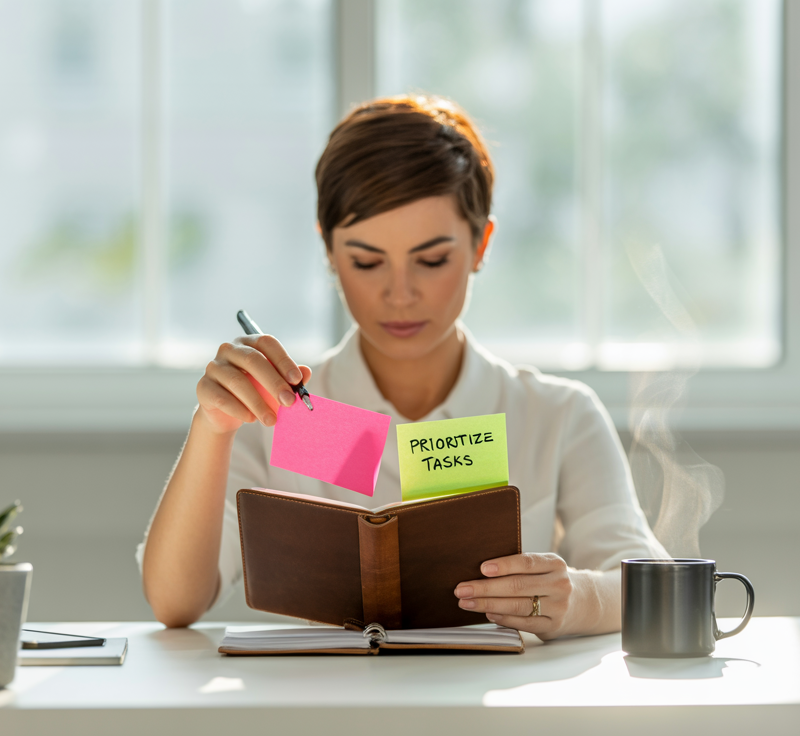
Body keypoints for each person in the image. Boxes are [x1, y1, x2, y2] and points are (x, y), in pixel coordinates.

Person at [139, 95, 666, 640]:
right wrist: (212, 427)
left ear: (481, 244)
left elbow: (644, 581)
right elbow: (175, 602)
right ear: (328, 251)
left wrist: (577, 598)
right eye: (366, 262)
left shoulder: (555, 414)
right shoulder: (279, 413)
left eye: (432, 260)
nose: (399, 294)